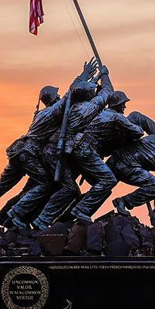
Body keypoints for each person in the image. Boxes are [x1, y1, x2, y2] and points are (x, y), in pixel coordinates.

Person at [0, 60, 98, 231]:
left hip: (19, 151)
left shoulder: (41, 114)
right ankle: (15, 214)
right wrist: (85, 75)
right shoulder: (52, 111)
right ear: (52, 98)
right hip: (28, 153)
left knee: (0, 186)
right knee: (45, 183)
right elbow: (71, 94)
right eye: (57, 95)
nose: (60, 97)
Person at [30, 65, 117, 229]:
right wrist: (104, 76)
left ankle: (50, 218)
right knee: (104, 180)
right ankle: (52, 217)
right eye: (92, 89)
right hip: (63, 151)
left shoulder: (69, 105)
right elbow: (107, 93)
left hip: (63, 150)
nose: (94, 89)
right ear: (88, 95)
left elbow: (72, 91)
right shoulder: (85, 109)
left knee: (69, 188)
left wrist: (85, 76)